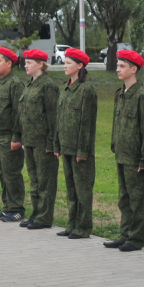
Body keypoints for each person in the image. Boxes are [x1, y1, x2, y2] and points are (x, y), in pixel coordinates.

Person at [105, 50, 144, 252]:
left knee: (137, 199)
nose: (118, 69)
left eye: (122, 66)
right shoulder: (120, 94)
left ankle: (136, 238)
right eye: (118, 65)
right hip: (122, 154)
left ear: (134, 69)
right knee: (124, 198)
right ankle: (124, 234)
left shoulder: (142, 96)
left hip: (136, 157)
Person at [53, 48, 97, 239]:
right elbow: (59, 118)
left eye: (69, 62)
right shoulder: (64, 88)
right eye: (65, 62)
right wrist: (57, 144)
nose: (65, 65)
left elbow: (87, 124)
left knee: (82, 189)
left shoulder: (86, 90)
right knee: (71, 188)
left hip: (80, 149)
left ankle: (83, 226)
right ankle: (72, 224)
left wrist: (82, 150)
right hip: (66, 145)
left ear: (80, 66)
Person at [0, 47, 26, 222]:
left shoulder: (15, 84)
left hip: (9, 137)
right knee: (1, 172)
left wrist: (17, 137)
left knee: (12, 173)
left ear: (9, 64)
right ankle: (7, 206)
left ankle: (17, 208)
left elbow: (18, 112)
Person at [18, 49, 59, 231]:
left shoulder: (47, 85)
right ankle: (36, 213)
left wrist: (52, 142)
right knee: (34, 180)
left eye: (29, 62)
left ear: (41, 64)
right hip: (30, 139)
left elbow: (53, 116)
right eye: (25, 62)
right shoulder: (30, 85)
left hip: (43, 141)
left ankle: (44, 217)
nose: (25, 65)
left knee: (45, 181)